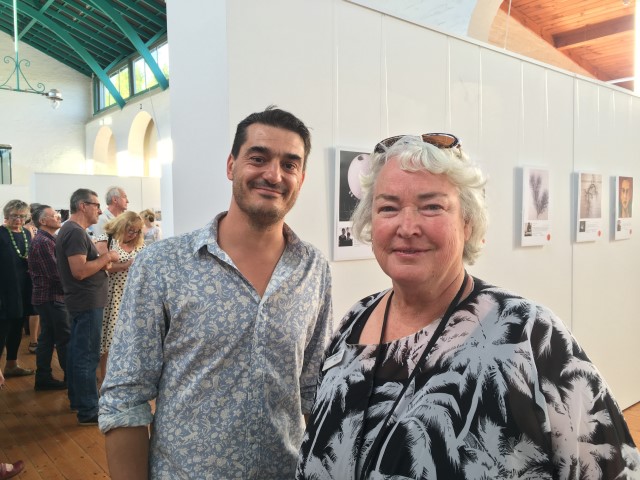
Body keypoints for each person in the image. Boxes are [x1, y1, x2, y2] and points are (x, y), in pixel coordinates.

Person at [296, 133, 640, 479]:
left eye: (432, 206)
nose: (407, 226)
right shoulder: (354, 322)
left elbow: (613, 468)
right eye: (388, 207)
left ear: (468, 222)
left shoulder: (528, 335)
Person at [100, 106, 333, 479]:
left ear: (301, 179)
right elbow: (125, 398)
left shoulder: (313, 268)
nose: (274, 175)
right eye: (258, 158)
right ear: (231, 166)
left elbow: (311, 390)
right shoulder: (163, 264)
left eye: (289, 165)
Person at [56, 189, 119, 425]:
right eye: (96, 205)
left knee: (79, 353)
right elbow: (80, 271)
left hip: (84, 301)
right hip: (86, 301)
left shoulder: (73, 230)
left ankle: (79, 401)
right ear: (83, 206)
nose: (100, 211)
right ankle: (89, 409)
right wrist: (107, 257)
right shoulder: (74, 232)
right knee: (87, 355)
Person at [95, 211, 145, 382]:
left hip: (134, 295)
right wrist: (126, 265)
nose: (133, 235)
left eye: (137, 231)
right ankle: (105, 378)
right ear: (122, 225)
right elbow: (103, 266)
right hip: (112, 294)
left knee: (130, 338)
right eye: (130, 230)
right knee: (109, 338)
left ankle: (124, 377)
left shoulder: (139, 243)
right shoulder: (106, 239)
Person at [28, 205, 70, 391]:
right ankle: (72, 379)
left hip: (49, 297)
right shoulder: (43, 242)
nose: (58, 217)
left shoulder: (47, 240)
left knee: (48, 338)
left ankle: (43, 377)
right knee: (64, 339)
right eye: (54, 215)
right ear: (43, 221)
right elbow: (56, 274)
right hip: (52, 297)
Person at [0, 199, 35, 378]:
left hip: (22, 288)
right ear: (7, 215)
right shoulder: (1, 233)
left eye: (22, 216)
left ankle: (11, 365)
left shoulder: (26, 233)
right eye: (14, 216)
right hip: (4, 289)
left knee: (17, 327)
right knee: (2, 329)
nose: (18, 220)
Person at [24, 203, 42, 354]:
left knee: (38, 309)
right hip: (31, 272)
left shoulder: (38, 229)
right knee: (34, 309)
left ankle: (38, 339)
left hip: (36, 271)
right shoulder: (28, 229)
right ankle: (34, 340)